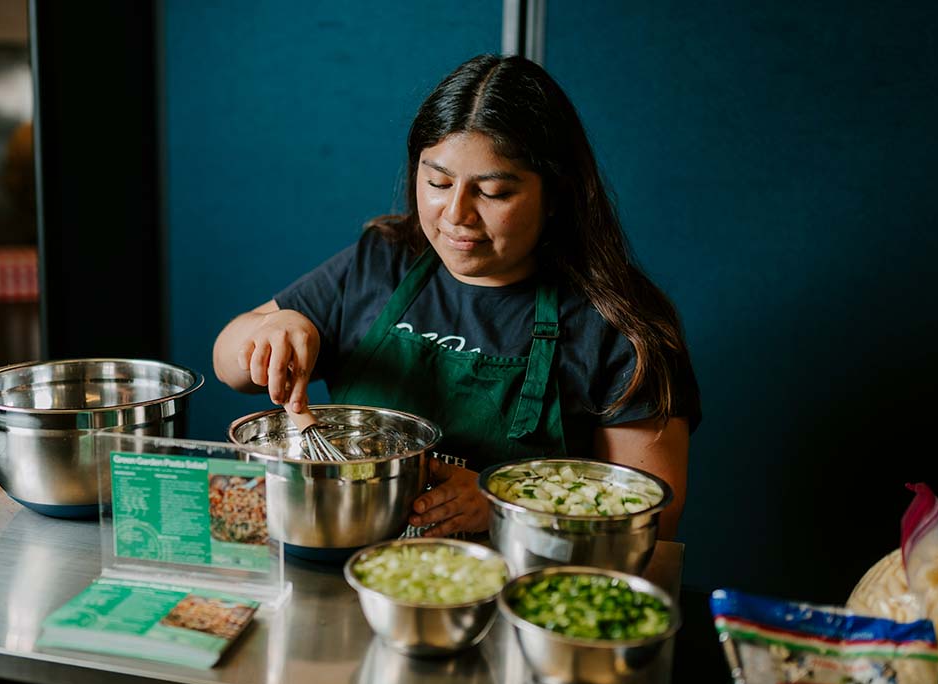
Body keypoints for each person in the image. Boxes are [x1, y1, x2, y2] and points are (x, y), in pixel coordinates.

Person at [213, 54, 700, 540]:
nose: (457, 214)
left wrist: (510, 506)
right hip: (359, 569)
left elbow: (653, 516)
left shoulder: (621, 322)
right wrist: (271, 330)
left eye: (491, 192)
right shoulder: (381, 262)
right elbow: (227, 366)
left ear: (555, 196)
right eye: (438, 183)